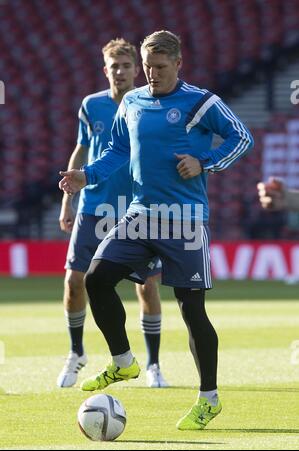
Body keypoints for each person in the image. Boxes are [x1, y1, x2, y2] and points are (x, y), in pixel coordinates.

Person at [59, 31, 254, 430]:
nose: (152, 75)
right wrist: (86, 176)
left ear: (179, 64)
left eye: (161, 68)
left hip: (184, 219)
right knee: (95, 279)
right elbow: (116, 150)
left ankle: (208, 399)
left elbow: (241, 137)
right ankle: (123, 362)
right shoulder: (132, 101)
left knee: (191, 309)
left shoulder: (201, 102)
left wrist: (205, 162)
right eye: (148, 67)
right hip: (140, 214)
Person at [57, 38, 168, 389]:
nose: (119, 72)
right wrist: (67, 200)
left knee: (148, 287)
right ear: (105, 71)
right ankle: (76, 352)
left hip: (134, 209)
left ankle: (152, 364)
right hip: (93, 207)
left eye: (126, 66)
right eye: (113, 66)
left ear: (137, 70)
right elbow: (81, 149)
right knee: (75, 282)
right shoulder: (91, 106)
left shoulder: (148, 105)